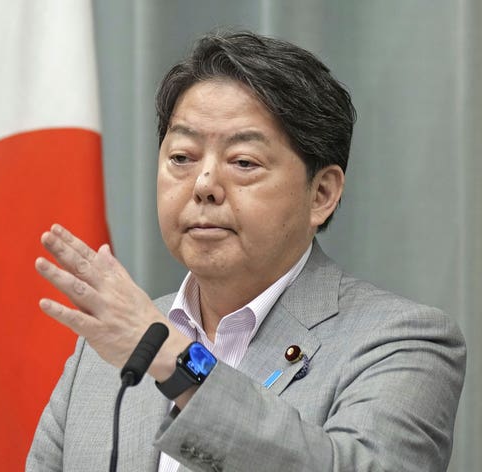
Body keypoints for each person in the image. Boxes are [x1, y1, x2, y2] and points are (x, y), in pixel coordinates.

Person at [26, 31, 466, 472]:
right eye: (182, 157)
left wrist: (176, 362)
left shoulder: (401, 342)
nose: (203, 185)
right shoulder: (103, 355)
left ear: (321, 194)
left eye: (243, 162)